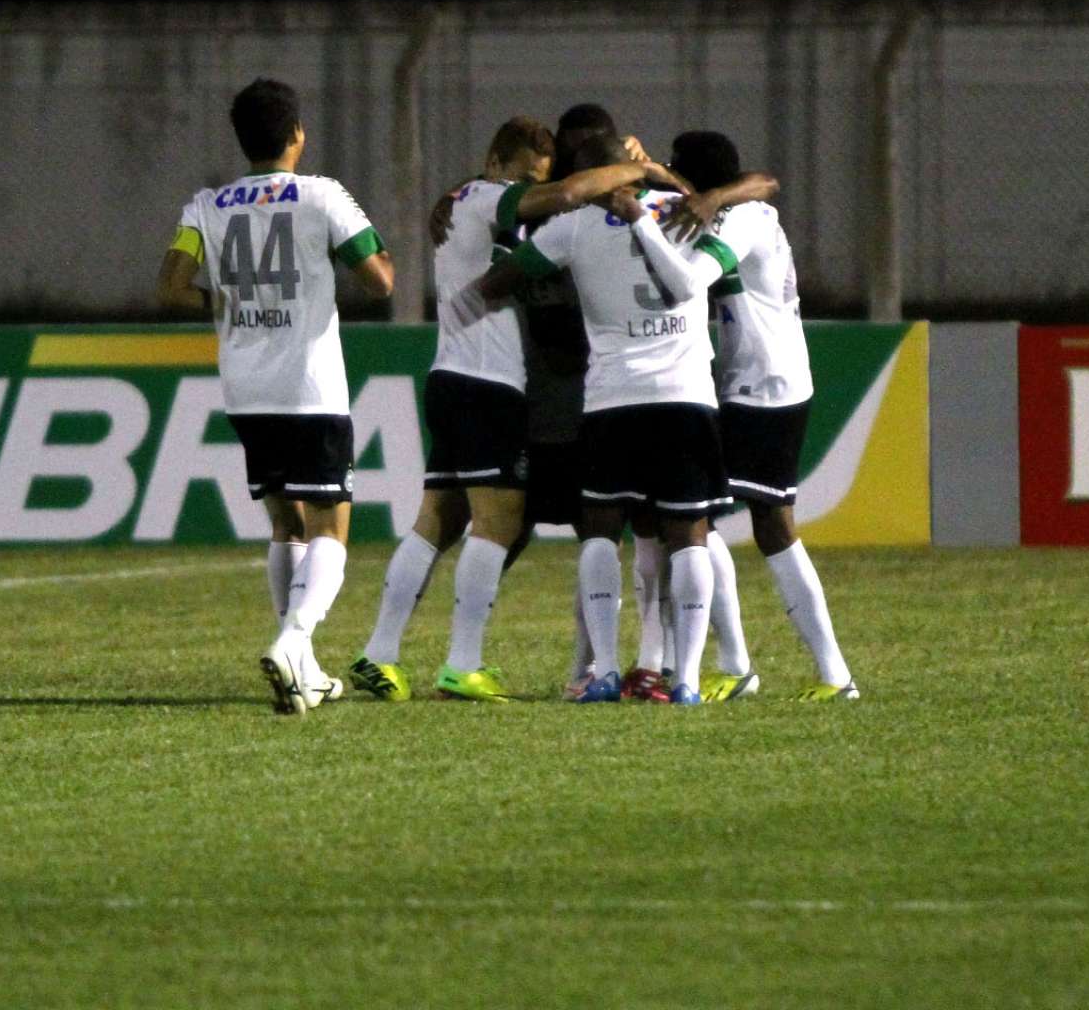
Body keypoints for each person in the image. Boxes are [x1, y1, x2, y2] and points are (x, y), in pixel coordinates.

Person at [353, 117, 692, 701]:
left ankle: (379, 652)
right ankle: (464, 663)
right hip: (489, 385)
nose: (534, 189)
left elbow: (539, 199)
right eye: (527, 176)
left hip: (451, 376)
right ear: (496, 163)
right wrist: (643, 168)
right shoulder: (500, 200)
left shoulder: (472, 199)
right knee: (500, 524)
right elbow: (559, 196)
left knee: (437, 520)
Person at [455, 135, 735, 706]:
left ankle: (604, 669)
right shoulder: (690, 209)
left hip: (612, 399)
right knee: (688, 537)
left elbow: (493, 284)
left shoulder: (571, 227)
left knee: (602, 529)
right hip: (686, 396)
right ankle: (687, 681)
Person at [156, 77, 394, 715]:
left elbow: (171, 286)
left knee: (285, 524)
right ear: (296, 134)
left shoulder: (205, 206)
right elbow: (379, 280)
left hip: (245, 386)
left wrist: (224, 299)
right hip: (309, 385)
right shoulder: (321, 195)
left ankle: (306, 672)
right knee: (331, 526)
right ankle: (294, 640)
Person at [662, 130, 858, 702]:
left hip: (763, 385)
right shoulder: (745, 207)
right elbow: (762, 181)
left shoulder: (740, 221)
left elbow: (696, 278)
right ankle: (820, 673)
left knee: (698, 518)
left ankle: (757, 665)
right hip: (763, 380)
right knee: (764, 527)